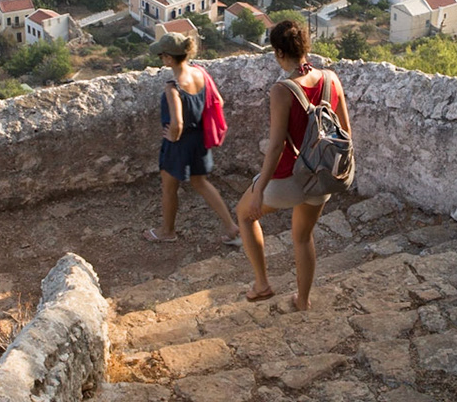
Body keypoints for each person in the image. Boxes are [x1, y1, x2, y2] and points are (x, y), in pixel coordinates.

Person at [237, 18, 351, 310]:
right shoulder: (331, 79)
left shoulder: (282, 90)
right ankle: (302, 300)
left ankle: (261, 284)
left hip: (288, 178)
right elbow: (345, 133)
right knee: (302, 237)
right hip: (322, 176)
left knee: (245, 215)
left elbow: (276, 147)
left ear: (279, 52)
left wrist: (259, 190)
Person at [147, 29, 240, 246]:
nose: (161, 59)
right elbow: (217, 101)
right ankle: (231, 227)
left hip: (179, 144)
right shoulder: (200, 73)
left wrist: (172, 136)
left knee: (169, 188)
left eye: (161, 56)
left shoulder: (173, 87)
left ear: (169, 59)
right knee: (201, 182)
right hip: (200, 139)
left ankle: (167, 231)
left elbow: (177, 123)